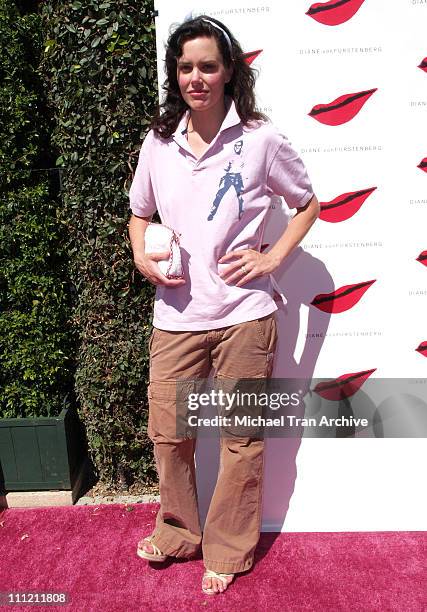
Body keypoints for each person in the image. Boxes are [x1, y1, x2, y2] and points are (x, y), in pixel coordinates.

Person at [128, 14, 319, 595]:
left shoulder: (261, 140)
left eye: (208, 65)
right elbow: (138, 215)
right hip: (177, 316)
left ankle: (230, 550)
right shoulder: (158, 143)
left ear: (229, 70)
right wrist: (141, 256)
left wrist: (271, 260)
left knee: (240, 438)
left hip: (245, 316)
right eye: (185, 67)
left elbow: (308, 203)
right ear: (174, 75)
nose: (196, 77)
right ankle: (180, 531)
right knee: (169, 433)